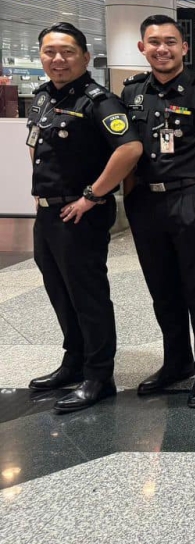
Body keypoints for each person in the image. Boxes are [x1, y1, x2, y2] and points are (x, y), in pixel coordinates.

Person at [121, 14, 195, 409]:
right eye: (153, 42)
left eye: (170, 42)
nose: (162, 49)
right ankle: (176, 362)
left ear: (184, 47)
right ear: (142, 47)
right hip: (146, 203)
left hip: (190, 198)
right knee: (162, 289)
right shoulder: (132, 93)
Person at [26, 23, 142, 413]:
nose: (57, 59)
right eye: (49, 52)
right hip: (48, 212)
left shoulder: (98, 101)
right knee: (59, 291)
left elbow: (129, 150)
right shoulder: (43, 97)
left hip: (80, 215)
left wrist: (92, 195)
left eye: (67, 52)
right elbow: (37, 145)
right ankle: (72, 362)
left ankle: (98, 375)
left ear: (85, 57)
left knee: (87, 295)